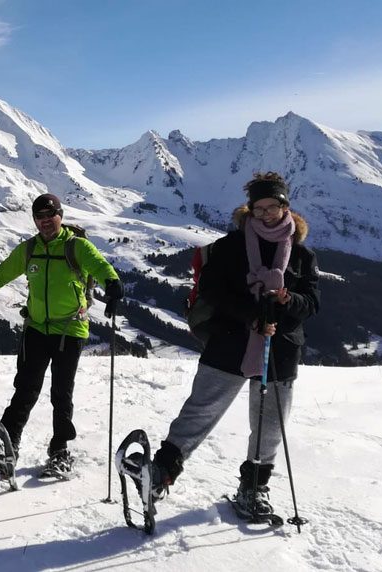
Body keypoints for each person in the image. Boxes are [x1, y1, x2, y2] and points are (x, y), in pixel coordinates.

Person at [149, 172, 320, 516]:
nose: (267, 213)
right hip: (231, 340)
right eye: (260, 208)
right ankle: (161, 471)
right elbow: (213, 292)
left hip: (281, 347)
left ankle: (254, 488)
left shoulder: (301, 255)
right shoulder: (230, 246)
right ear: (250, 209)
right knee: (201, 410)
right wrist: (251, 315)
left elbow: (312, 303)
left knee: (270, 425)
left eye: (273, 206)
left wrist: (287, 302)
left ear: (286, 206)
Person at [0, 193, 124, 475]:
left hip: (70, 329)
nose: (44, 222)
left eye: (49, 216)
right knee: (26, 388)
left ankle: (60, 450)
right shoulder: (29, 250)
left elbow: (100, 267)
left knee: (61, 393)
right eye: (39, 218)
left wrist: (112, 284)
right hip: (37, 329)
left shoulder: (77, 247)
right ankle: (9, 442)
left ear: (60, 216)